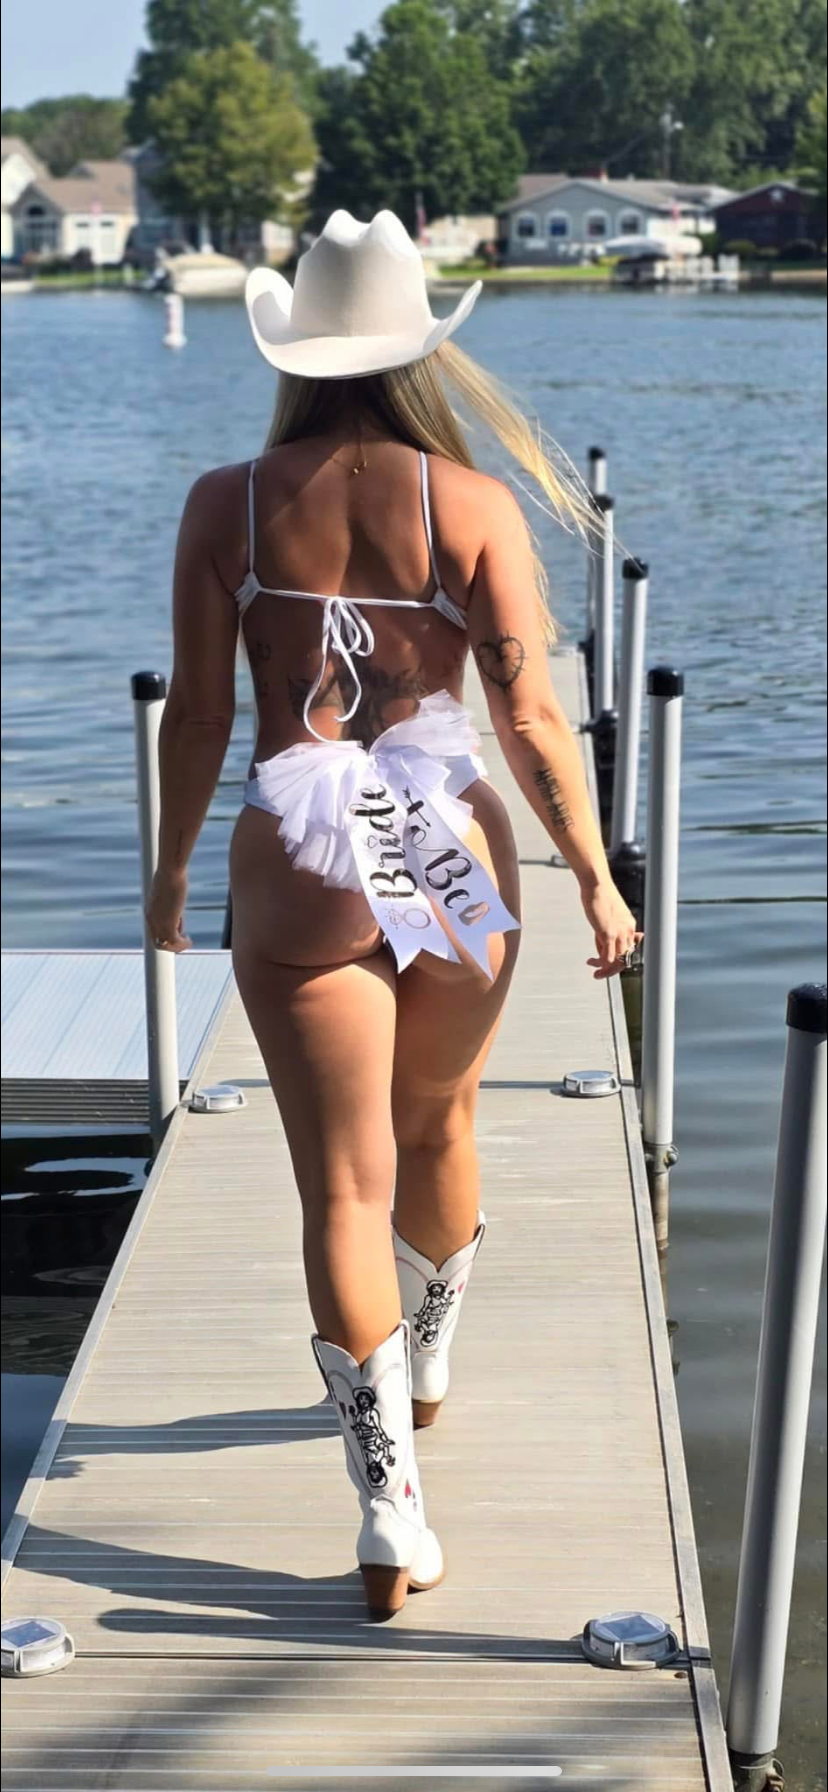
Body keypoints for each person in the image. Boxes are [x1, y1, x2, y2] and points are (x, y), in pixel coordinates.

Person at [147, 210, 642, 1620]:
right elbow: (530, 717)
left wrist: (172, 871)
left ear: (295, 350)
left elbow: (199, 718)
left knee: (342, 1189)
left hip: (296, 859)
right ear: (421, 347)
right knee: (440, 1124)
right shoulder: (470, 504)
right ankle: (428, 1357)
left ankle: (387, 1507)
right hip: (449, 851)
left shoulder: (226, 504)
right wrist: (595, 875)